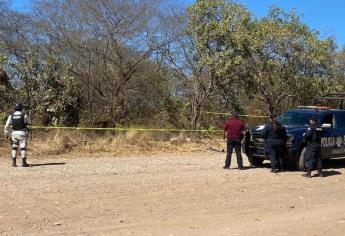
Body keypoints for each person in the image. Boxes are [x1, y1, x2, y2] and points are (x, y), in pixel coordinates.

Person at [4, 103, 31, 167]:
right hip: (22, 133)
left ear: (15, 108)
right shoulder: (24, 115)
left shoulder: (11, 116)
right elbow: (29, 122)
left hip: (14, 133)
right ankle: (24, 163)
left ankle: (14, 163)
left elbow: (6, 126)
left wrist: (6, 133)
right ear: (21, 108)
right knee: (23, 147)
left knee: (14, 147)